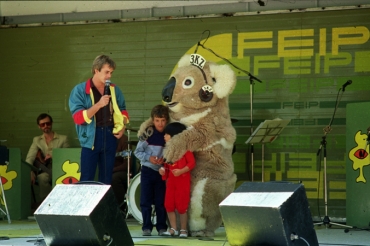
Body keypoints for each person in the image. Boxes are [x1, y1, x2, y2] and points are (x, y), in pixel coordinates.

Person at [69, 54, 129, 184]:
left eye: (111, 73)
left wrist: (122, 126)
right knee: (87, 178)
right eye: (106, 72)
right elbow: (78, 118)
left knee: (107, 179)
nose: (109, 76)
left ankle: (104, 205)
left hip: (109, 135)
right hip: (91, 137)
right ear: (96, 70)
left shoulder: (114, 89)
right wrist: (99, 105)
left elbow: (123, 110)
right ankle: (86, 205)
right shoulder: (79, 90)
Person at [134, 104, 169, 236]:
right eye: (157, 120)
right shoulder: (148, 134)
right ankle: (146, 227)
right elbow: (137, 151)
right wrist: (149, 158)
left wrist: (163, 161)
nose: (160, 124)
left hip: (161, 172)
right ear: (153, 120)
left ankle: (161, 227)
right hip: (147, 171)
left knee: (161, 201)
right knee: (145, 200)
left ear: (167, 120)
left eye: (163, 120)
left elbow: (171, 153)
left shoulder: (168, 135)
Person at [159, 122, 195, 238]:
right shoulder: (168, 151)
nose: (164, 136)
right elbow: (166, 166)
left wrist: (181, 171)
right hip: (171, 183)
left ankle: (183, 229)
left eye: (167, 134)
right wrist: (163, 171)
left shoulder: (185, 150)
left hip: (182, 183)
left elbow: (192, 163)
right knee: (169, 204)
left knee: (182, 206)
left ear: (175, 136)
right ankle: (173, 228)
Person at [25, 113, 69, 202]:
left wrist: (54, 156)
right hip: (44, 171)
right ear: (39, 126)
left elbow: (67, 156)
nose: (46, 126)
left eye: (48, 123)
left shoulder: (63, 139)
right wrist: (29, 172)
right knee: (42, 177)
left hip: (60, 170)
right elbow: (30, 157)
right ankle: (46, 203)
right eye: (42, 124)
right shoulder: (36, 140)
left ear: (52, 123)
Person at [111, 134, 134, 213]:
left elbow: (127, 164)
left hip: (122, 171)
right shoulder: (105, 139)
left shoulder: (124, 140)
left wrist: (112, 170)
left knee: (114, 178)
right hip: (109, 170)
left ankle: (121, 208)